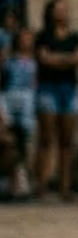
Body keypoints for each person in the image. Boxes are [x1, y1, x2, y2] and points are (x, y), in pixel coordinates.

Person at [35, 0, 78, 202]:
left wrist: (58, 59)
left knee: (67, 141)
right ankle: (42, 184)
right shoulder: (43, 36)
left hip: (69, 89)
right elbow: (44, 59)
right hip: (48, 88)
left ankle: (65, 187)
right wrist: (70, 59)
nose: (61, 13)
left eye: (64, 9)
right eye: (57, 9)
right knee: (46, 139)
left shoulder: (76, 37)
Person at [2, 26, 37, 195]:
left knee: (24, 139)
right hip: (9, 98)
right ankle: (10, 179)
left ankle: (22, 180)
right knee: (9, 137)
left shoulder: (35, 60)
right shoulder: (9, 61)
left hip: (28, 100)